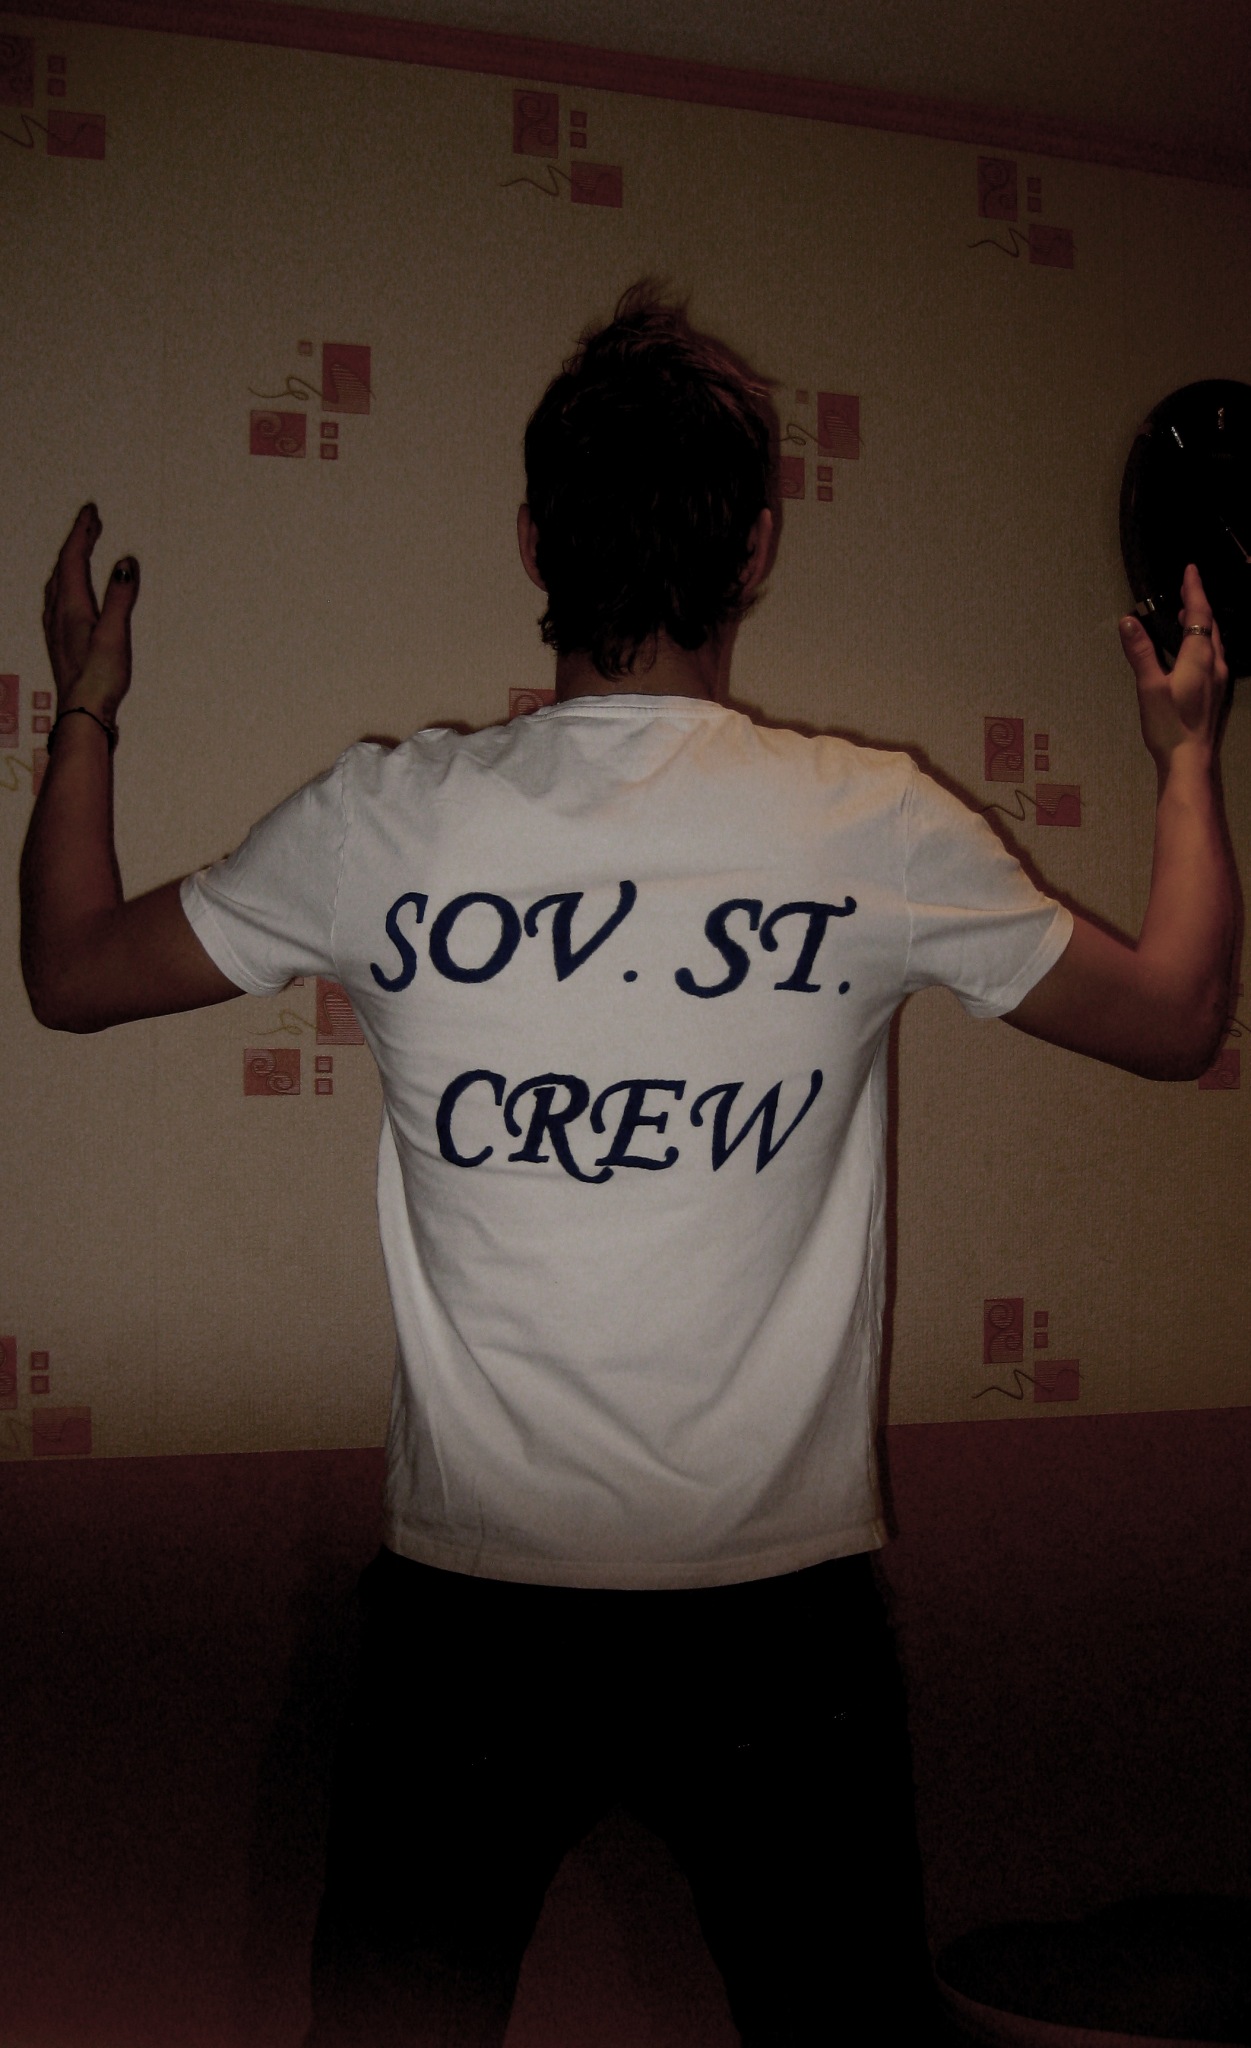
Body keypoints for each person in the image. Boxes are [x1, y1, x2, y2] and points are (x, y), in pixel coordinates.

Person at [22, 286, 1235, 2048]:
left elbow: (67, 974)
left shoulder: (384, 822)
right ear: (756, 551)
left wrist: (85, 710)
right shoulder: (873, 825)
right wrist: (1187, 760)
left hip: (471, 1630)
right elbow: (1182, 1017)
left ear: (534, 540)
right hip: (777, 1635)